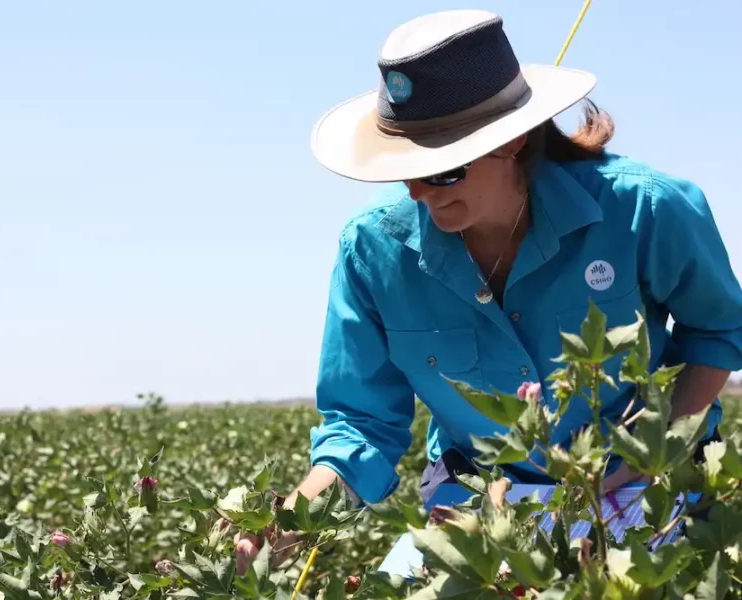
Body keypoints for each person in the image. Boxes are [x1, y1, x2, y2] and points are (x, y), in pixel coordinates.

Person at [235, 8, 742, 569]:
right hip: (478, 500)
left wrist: (647, 454)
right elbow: (360, 424)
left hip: (646, 484)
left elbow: (716, 331)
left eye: (445, 170)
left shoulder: (644, 208)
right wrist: (288, 524)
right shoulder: (372, 251)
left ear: (515, 140)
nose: (422, 192)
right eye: (405, 170)